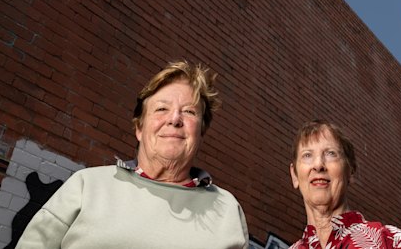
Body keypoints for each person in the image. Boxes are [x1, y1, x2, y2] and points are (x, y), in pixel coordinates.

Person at [17, 60, 248, 248]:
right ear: (139, 128)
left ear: (201, 132)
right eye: (161, 109)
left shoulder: (226, 208)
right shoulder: (88, 186)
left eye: (189, 112)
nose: (175, 119)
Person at [288, 120, 401, 249]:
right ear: (295, 175)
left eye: (331, 153)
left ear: (351, 171)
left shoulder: (392, 241)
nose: (318, 165)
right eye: (307, 155)